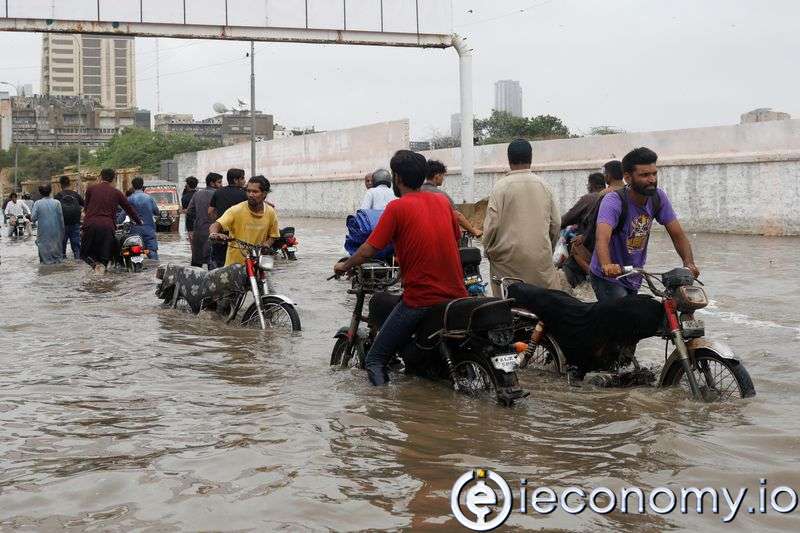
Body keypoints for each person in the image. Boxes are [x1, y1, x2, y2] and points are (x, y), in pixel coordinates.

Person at [334, 150, 467, 386]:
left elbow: (368, 249)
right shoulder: (442, 202)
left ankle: (382, 406)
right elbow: (452, 239)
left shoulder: (397, 208)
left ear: (397, 178)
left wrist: (345, 265)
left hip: (421, 299)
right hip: (457, 295)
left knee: (375, 359)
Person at [590, 147, 699, 302]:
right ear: (627, 178)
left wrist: (689, 264)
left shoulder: (658, 197)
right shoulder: (613, 201)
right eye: (645, 175)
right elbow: (602, 238)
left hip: (634, 274)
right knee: (622, 312)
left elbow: (678, 235)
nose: (652, 179)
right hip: (608, 277)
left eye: (654, 173)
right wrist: (607, 265)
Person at [483, 139, 561, 295]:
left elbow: (492, 226)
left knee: (507, 301)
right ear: (531, 158)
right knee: (544, 302)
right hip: (539, 260)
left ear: (509, 159)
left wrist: (488, 250)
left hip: (506, 261)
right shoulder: (544, 186)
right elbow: (556, 223)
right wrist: (547, 249)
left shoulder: (500, 187)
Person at [561, 162, 626, 286]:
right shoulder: (630, 193)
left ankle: (591, 279)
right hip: (624, 248)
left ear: (608, 176)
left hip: (601, 244)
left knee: (574, 250)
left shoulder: (602, 195)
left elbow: (594, 224)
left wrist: (583, 237)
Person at [209, 175, 279, 266]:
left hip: (257, 262)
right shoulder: (236, 210)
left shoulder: (270, 212)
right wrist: (214, 234)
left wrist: (267, 244)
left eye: (255, 192)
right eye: (248, 191)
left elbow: (274, 235)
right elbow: (216, 225)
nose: (250, 195)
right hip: (235, 266)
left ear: (264, 193)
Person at [82, 168, 142, 274]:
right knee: (105, 257)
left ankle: (95, 266)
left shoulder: (91, 189)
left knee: (84, 254)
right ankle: (103, 271)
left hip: (90, 225)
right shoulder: (117, 193)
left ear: (100, 177)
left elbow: (86, 209)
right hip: (107, 227)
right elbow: (129, 209)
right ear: (114, 179)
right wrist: (139, 221)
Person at [422, 160, 483, 238]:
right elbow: (457, 216)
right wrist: (473, 231)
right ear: (437, 175)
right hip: (437, 236)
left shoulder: (417, 192)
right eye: (442, 175)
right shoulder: (441, 195)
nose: (443, 179)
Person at [209, 168, 247, 267]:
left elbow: (210, 211)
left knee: (219, 263)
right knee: (239, 264)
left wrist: (217, 222)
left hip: (220, 233)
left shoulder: (218, 192)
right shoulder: (244, 194)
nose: (244, 181)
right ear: (236, 180)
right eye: (242, 178)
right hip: (238, 235)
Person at [187, 172, 222, 268]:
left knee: (196, 262)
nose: (221, 185)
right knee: (213, 262)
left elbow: (189, 211)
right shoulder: (218, 194)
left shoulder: (197, 194)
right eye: (219, 182)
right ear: (212, 183)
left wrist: (198, 219)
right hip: (214, 231)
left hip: (198, 231)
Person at [127, 177, 161, 260]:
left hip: (135, 230)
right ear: (142, 186)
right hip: (149, 229)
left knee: (135, 252)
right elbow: (157, 212)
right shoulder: (149, 198)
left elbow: (122, 215)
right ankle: (155, 266)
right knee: (152, 251)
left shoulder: (130, 199)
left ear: (133, 186)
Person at [31, 184, 65, 264]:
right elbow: (61, 220)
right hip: (56, 233)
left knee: (44, 259)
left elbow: (33, 218)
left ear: (40, 192)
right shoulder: (57, 203)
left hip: (43, 234)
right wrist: (62, 233)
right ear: (50, 191)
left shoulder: (37, 203)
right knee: (57, 258)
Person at [55, 175, 84, 259]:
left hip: (62, 224)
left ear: (60, 185)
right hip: (75, 223)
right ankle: (77, 260)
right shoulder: (76, 195)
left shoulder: (58, 196)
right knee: (77, 247)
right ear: (69, 183)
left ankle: (63, 262)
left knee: (62, 248)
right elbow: (85, 205)